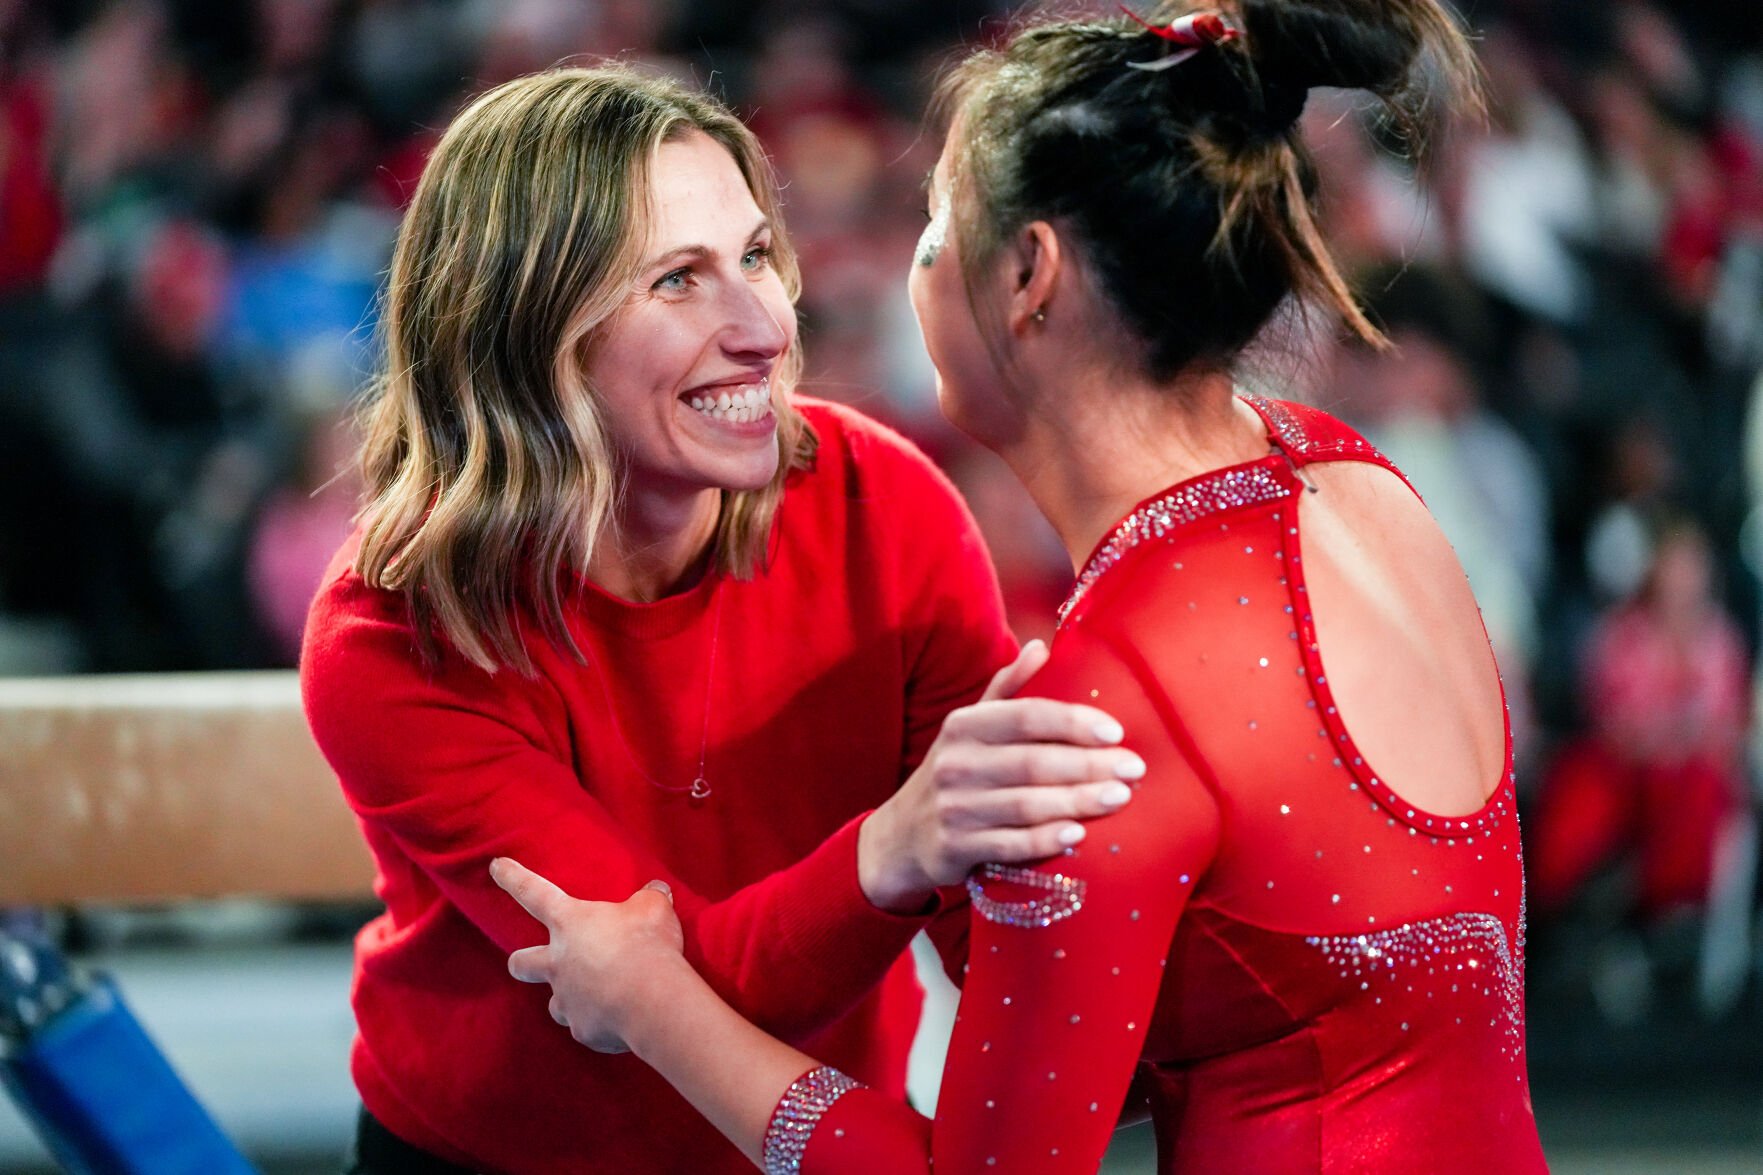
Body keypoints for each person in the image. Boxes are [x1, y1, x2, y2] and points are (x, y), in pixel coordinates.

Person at [491, 2, 1551, 1171]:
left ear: (1027, 274)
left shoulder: (1096, 714)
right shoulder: (1352, 476)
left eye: (935, 221)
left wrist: (649, 1000)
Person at [298, 65, 1146, 1174]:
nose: (762, 326)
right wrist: (895, 846)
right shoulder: (389, 629)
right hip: (488, 1156)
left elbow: (991, 927)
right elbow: (658, 992)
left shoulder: (877, 503)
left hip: (798, 1139)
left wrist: (1099, 955)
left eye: (754, 257)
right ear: (523, 331)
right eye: (677, 281)